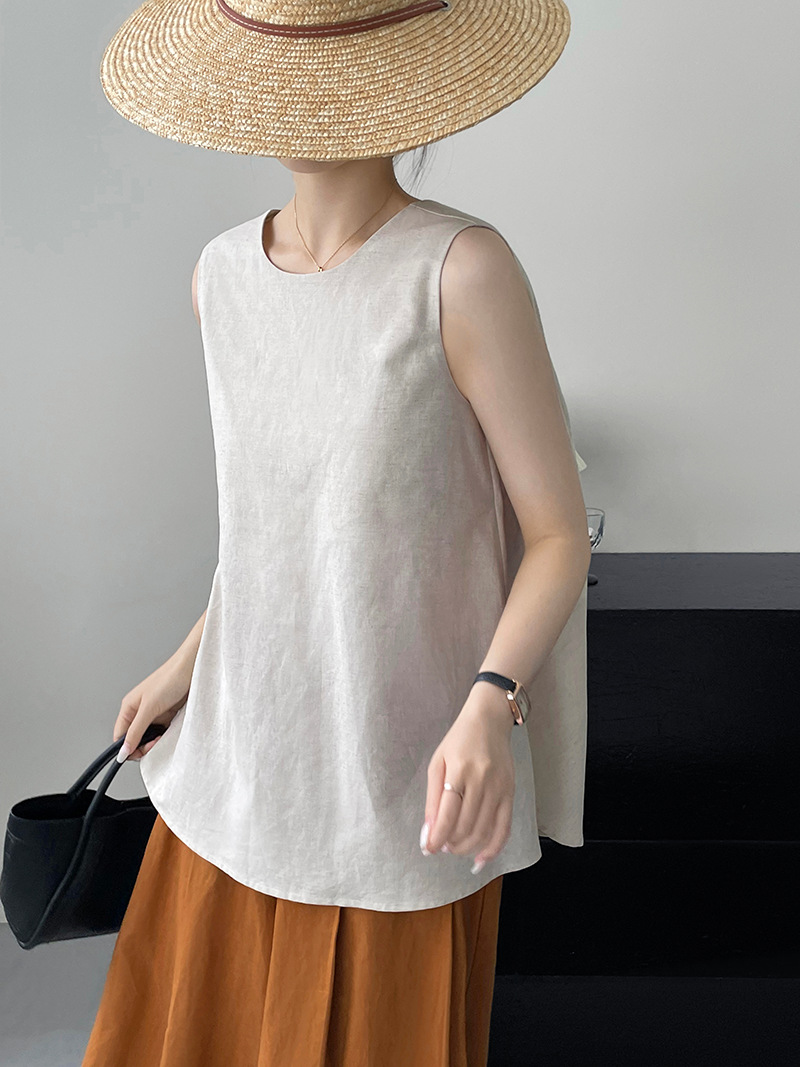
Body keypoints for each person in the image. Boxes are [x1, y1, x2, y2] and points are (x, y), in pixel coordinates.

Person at [82, 1, 589, 1064]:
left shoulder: (459, 271)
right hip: (243, 750)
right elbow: (284, 531)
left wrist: (489, 704)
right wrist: (187, 661)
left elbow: (556, 533)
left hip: (403, 767)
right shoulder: (220, 277)